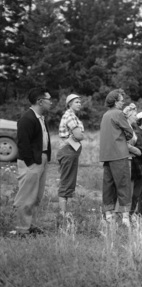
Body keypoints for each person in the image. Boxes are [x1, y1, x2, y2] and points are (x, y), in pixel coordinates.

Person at [11, 87, 52, 236]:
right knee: (26, 197)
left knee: (36, 196)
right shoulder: (27, 119)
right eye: (49, 100)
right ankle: (22, 229)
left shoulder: (40, 118)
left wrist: (45, 157)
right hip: (32, 162)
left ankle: (31, 225)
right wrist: (30, 163)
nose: (51, 103)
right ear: (40, 101)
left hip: (41, 159)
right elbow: (22, 143)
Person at [99, 89, 134, 227]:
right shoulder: (118, 114)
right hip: (119, 154)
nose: (123, 102)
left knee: (108, 185)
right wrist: (124, 138)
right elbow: (130, 132)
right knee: (123, 184)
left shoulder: (105, 115)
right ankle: (125, 218)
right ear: (114, 101)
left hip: (106, 155)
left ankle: (108, 215)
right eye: (120, 100)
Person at [56, 94, 84, 222]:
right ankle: (62, 213)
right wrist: (79, 135)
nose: (79, 104)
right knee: (66, 181)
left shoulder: (72, 115)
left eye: (79, 102)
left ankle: (64, 211)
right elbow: (78, 135)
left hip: (70, 151)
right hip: (68, 151)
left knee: (69, 180)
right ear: (69, 104)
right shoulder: (70, 115)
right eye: (76, 102)